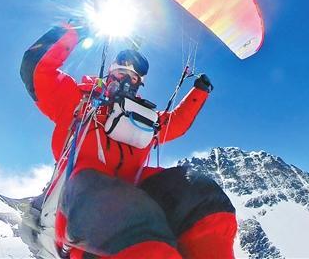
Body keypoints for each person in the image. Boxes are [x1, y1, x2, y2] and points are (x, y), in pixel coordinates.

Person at [20, 23, 237, 259]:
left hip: (132, 201)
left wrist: (199, 92)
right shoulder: (79, 100)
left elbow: (176, 124)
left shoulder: (143, 120)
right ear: (110, 71)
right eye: (122, 71)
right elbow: (37, 71)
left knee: (197, 192)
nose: (127, 78)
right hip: (77, 207)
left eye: (134, 76)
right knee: (123, 208)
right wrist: (74, 29)